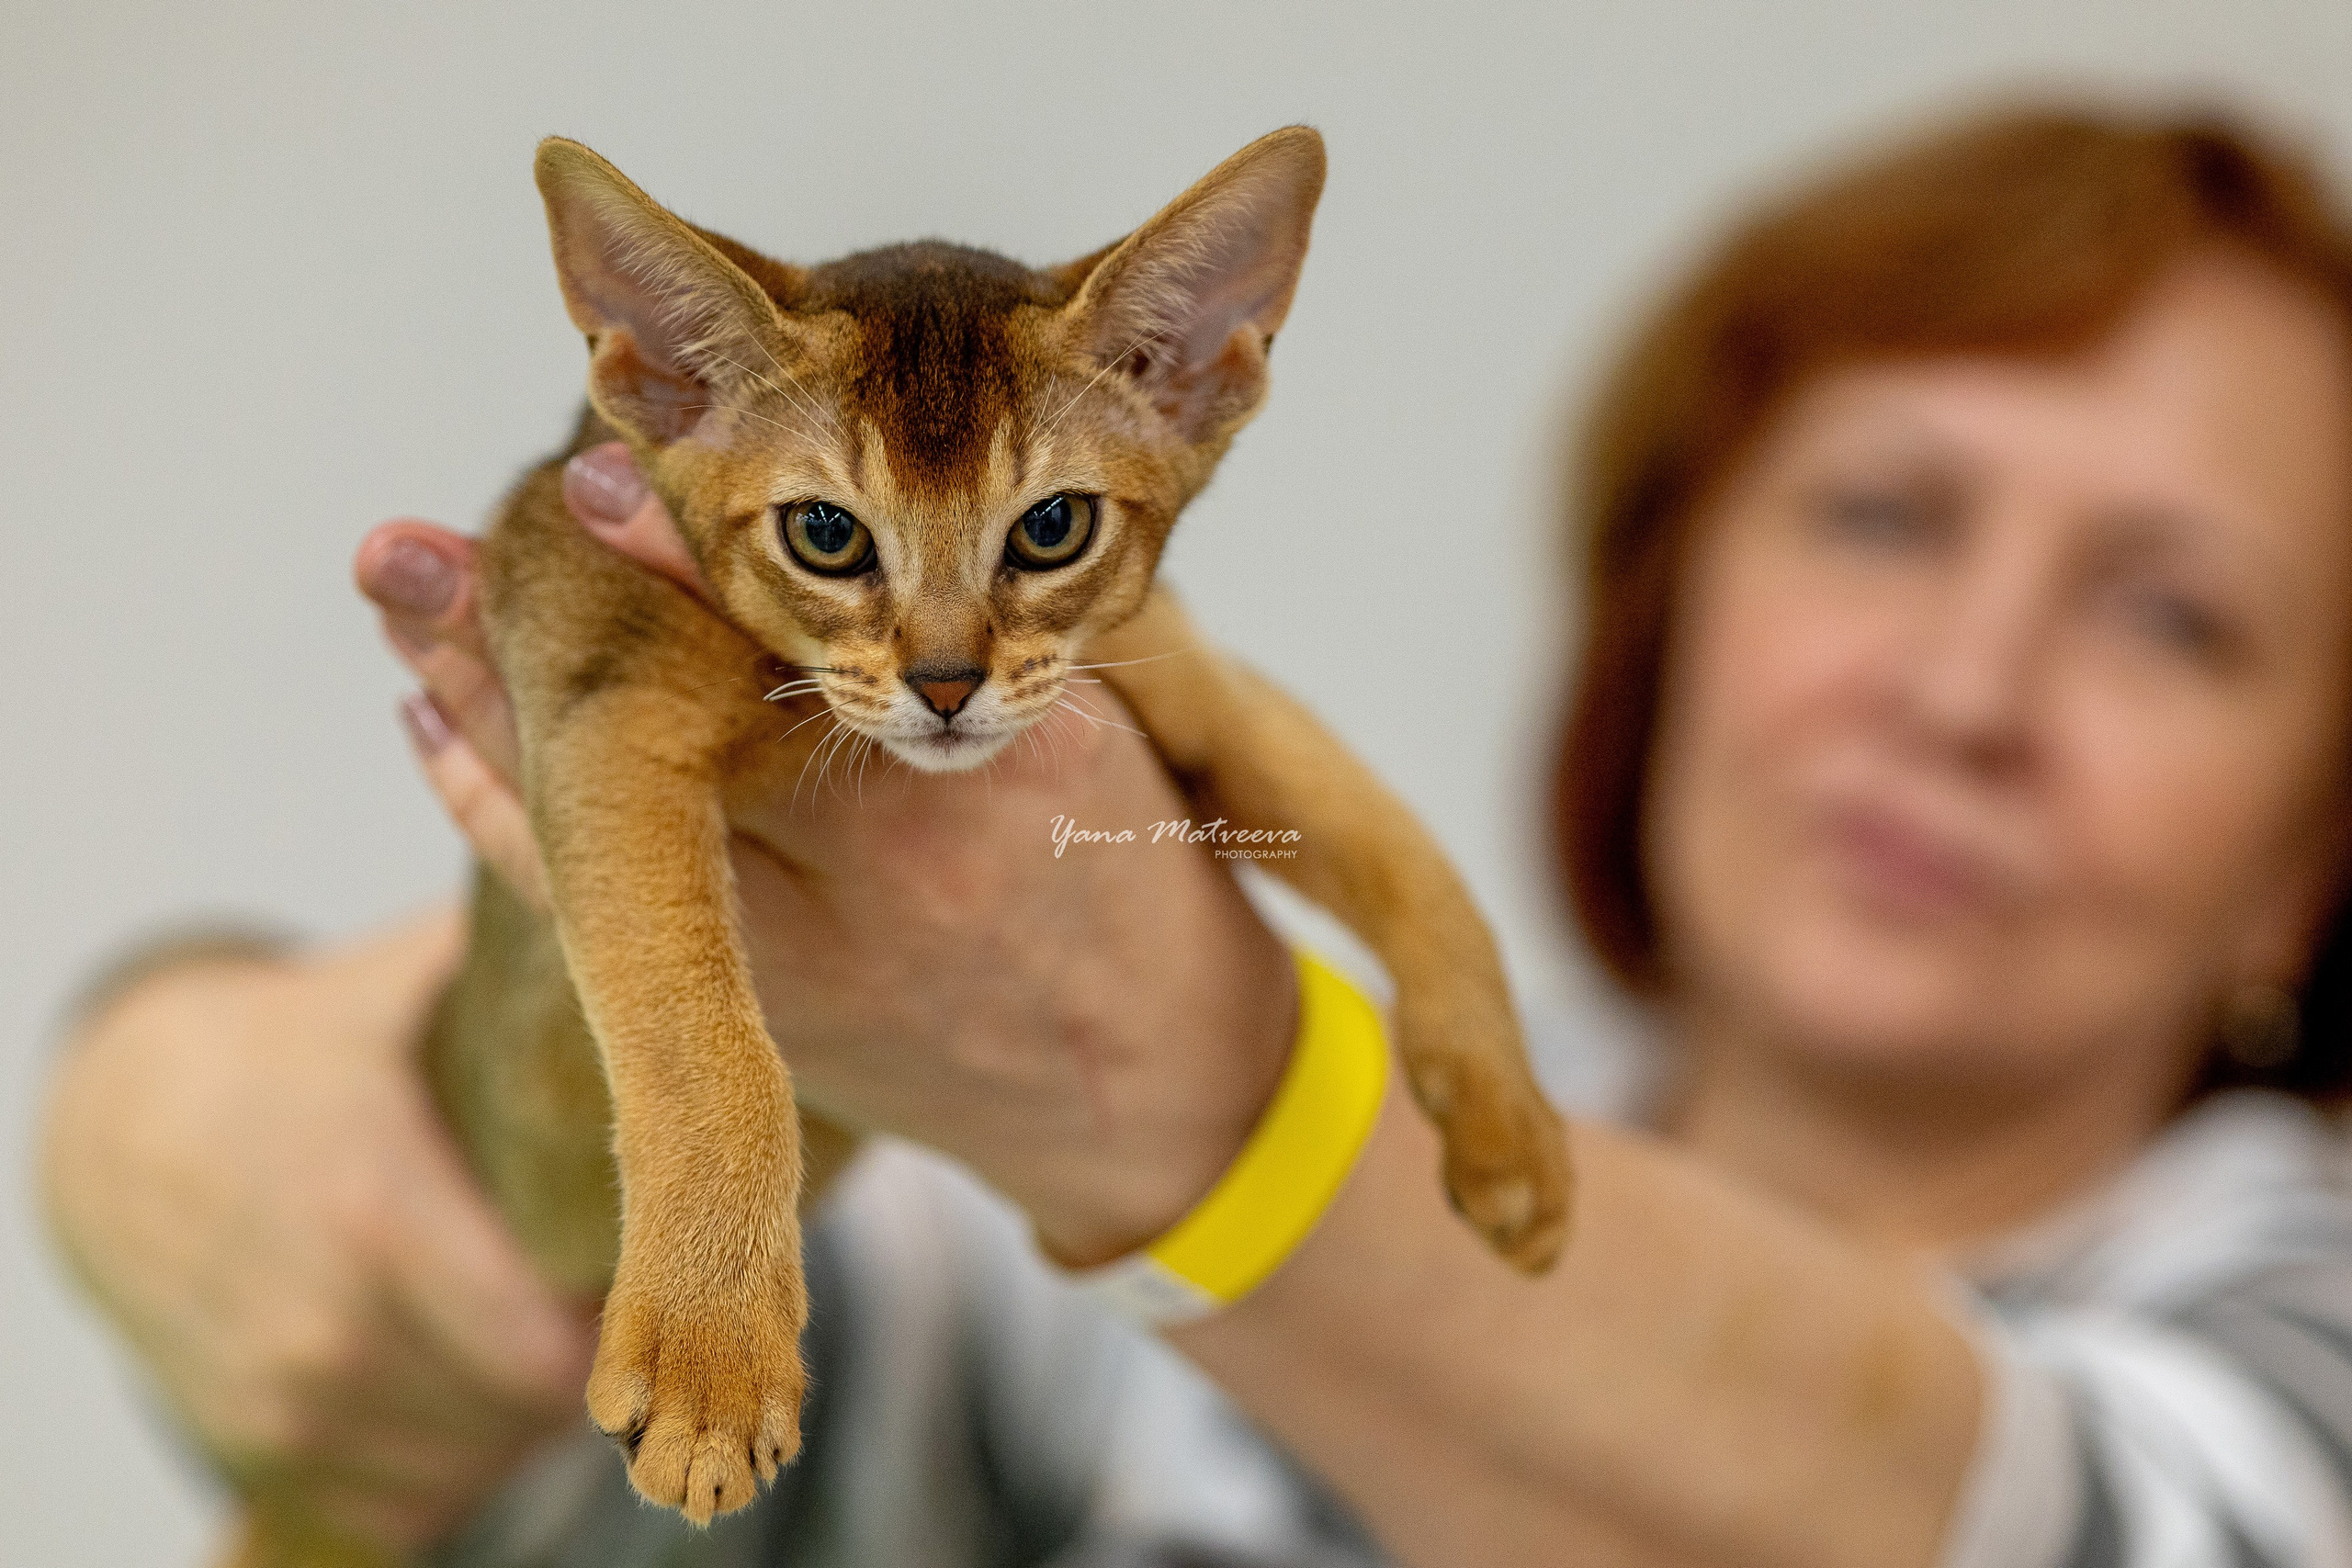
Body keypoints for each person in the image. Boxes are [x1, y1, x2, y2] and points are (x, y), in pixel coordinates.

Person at [42, 101, 2352, 1567]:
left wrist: (1185, 1078)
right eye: (1881, 513)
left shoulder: (2305, 1339)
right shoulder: (1064, 1329)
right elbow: (571, 1446)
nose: (1964, 691)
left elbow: (2013, 1515)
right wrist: (157, 1075)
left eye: (2172, 614)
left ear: (2313, 837)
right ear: (1669, 609)